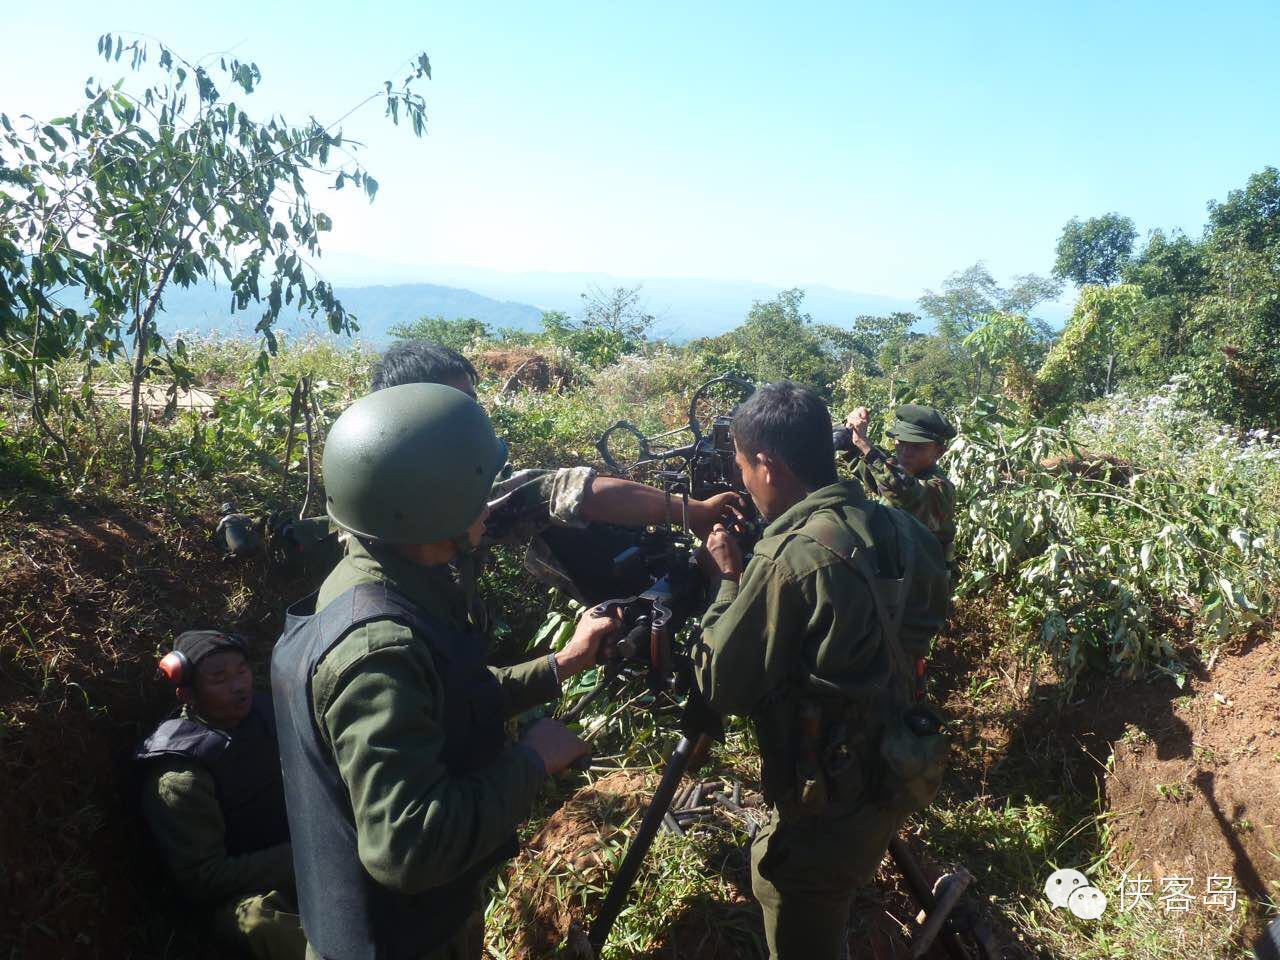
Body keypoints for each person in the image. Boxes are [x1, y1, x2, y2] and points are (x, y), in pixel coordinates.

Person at [271, 382, 619, 960]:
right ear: (431, 510)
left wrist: (562, 664)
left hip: (416, 928)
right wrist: (532, 760)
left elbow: (446, 697)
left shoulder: (371, 583)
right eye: (478, 496)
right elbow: (408, 846)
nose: (489, 509)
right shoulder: (378, 653)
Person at [691, 382, 950, 960]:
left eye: (742, 467)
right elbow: (933, 602)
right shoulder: (895, 526)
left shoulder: (790, 560)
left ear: (768, 464)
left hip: (829, 799)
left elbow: (721, 684)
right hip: (891, 764)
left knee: (786, 887)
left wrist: (728, 582)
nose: (742, 483)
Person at [279, 340, 743, 607]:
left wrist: (691, 511)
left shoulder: (414, 494)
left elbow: (562, 490)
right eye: (453, 412)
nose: (471, 422)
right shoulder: (377, 618)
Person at [136, 630, 305, 960]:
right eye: (219, 679)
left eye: (242, 670)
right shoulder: (181, 776)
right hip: (243, 895)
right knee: (261, 921)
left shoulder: (269, 712)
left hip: (306, 859)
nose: (239, 686)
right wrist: (299, 857)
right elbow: (204, 878)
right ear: (187, 694)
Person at [838, 403, 957, 566]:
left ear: (939, 452)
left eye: (917, 447)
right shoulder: (894, 472)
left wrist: (866, 446)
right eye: (900, 442)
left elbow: (903, 490)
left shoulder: (940, 488)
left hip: (922, 583)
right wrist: (849, 428)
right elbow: (865, 463)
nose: (906, 452)